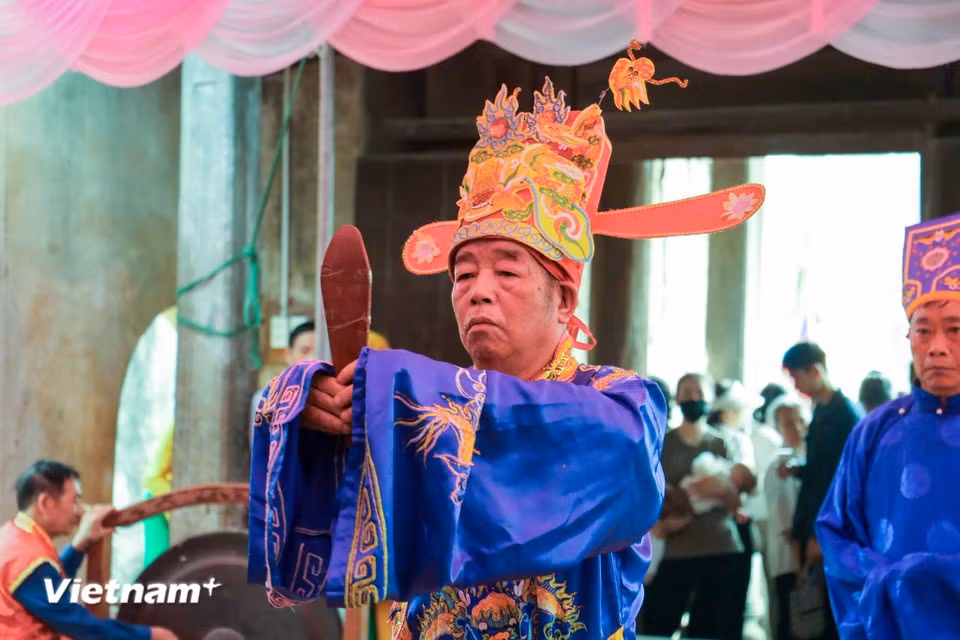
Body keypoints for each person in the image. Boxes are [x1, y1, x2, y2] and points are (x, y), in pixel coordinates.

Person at [247, 45, 766, 640]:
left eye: (507, 271)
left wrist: (391, 401)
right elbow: (343, 519)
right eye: (463, 275)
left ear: (565, 299)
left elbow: (600, 461)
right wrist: (318, 413)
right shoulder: (416, 406)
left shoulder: (622, 404)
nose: (479, 292)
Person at [816, 212, 960, 639]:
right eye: (923, 331)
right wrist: (888, 577)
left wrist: (933, 573)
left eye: (955, 330)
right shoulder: (875, 429)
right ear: (909, 338)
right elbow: (835, 531)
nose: (937, 348)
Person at [0, 461, 176, 639]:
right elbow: (78, 624)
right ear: (45, 503)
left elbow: (53, 588)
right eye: (74, 501)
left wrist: (79, 545)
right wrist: (149, 635)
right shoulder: (24, 558)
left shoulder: (15, 537)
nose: (79, 512)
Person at [642, 373, 751, 639]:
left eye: (700, 393)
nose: (693, 398)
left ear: (711, 400)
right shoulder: (663, 443)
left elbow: (737, 498)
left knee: (712, 629)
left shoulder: (722, 443)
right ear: (678, 399)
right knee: (660, 625)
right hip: (675, 549)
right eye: (687, 392)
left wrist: (719, 489)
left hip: (720, 546)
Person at [779, 341, 861, 640]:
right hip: (814, 519)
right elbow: (819, 468)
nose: (796, 385)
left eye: (796, 377)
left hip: (829, 527)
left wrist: (820, 534)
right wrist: (798, 467)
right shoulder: (822, 410)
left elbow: (840, 481)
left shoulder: (845, 416)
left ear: (815, 371)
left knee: (825, 613)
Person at [763, 393, 810, 640]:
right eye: (788, 423)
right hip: (789, 559)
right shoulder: (777, 468)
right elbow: (783, 523)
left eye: (800, 420)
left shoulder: (812, 462)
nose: (797, 428)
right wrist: (798, 564)